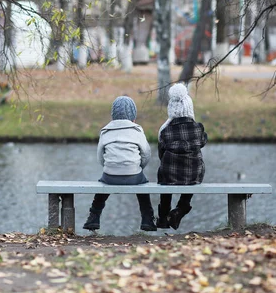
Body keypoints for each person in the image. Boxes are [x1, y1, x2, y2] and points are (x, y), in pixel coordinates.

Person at [83, 96, 157, 232]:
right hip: (134, 174)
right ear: (133, 116)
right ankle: (147, 219)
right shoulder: (137, 131)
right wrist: (138, 167)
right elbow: (146, 154)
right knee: (144, 185)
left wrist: (110, 167)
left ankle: (93, 217)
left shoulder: (105, 131)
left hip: (110, 174)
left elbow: (100, 157)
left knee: (102, 184)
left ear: (113, 115)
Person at [156, 83, 208, 230]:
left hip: (169, 176)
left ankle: (163, 216)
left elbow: (161, 154)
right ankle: (180, 209)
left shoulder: (165, 131)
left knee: (163, 172)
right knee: (197, 166)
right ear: (189, 109)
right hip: (193, 176)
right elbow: (203, 141)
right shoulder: (198, 129)